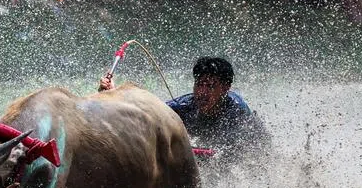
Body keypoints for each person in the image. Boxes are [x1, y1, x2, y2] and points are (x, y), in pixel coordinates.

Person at [99, 57, 269, 161]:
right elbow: (149, 113)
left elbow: (229, 154)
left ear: (226, 88)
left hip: (251, 150)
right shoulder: (185, 106)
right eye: (199, 85)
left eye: (210, 86)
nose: (202, 92)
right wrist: (113, 94)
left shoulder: (236, 112)